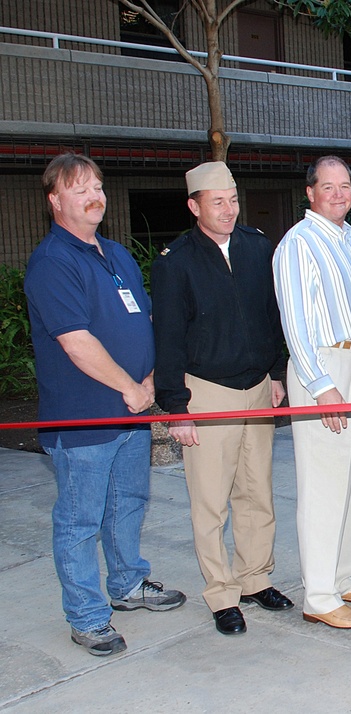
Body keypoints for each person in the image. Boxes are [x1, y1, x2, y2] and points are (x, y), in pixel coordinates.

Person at [24, 153, 185, 657]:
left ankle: (128, 584)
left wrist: (152, 377)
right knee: (80, 520)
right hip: (85, 419)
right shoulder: (52, 262)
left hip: (130, 415)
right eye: (80, 189)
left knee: (128, 504)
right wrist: (131, 388)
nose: (94, 196)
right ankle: (88, 616)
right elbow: (76, 340)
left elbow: (144, 319)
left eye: (97, 186)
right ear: (54, 200)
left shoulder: (113, 254)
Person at [151, 161, 290, 636]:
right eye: (217, 202)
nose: (228, 210)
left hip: (256, 387)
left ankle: (255, 577)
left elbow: (273, 314)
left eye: (233, 200)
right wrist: (176, 406)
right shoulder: (175, 261)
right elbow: (166, 337)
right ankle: (222, 593)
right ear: (194, 207)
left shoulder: (257, 246)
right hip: (206, 392)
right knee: (211, 501)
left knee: (257, 491)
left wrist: (276, 371)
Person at [273, 156, 351, 630]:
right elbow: (296, 323)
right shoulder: (298, 243)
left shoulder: (347, 241)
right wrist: (322, 387)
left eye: (345, 186)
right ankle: (318, 595)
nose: (339, 194)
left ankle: (341, 578)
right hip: (326, 370)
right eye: (329, 187)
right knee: (322, 486)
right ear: (310, 193)